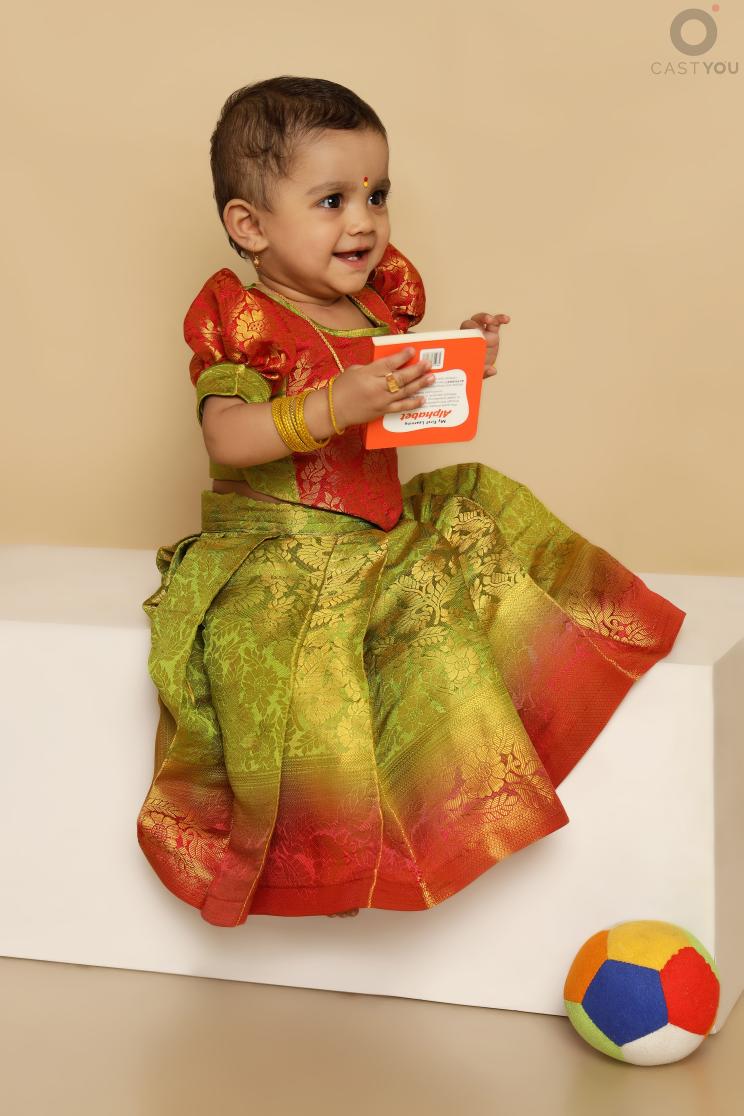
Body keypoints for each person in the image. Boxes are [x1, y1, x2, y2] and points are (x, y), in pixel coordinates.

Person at [136, 75, 686, 928]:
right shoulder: (247, 322)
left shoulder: (372, 305)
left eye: (377, 195)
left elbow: (406, 406)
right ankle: (360, 845)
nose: (363, 221)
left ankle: (547, 707)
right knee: (369, 642)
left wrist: (458, 360)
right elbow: (227, 436)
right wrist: (331, 405)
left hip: (371, 532)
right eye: (332, 200)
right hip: (283, 547)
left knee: (481, 508)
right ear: (250, 225)